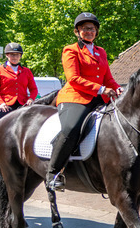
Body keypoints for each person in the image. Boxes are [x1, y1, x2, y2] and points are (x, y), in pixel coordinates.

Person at [46, 13, 120, 191]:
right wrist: (102, 89)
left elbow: (108, 78)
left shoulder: (101, 51)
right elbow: (73, 78)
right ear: (77, 31)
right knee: (71, 128)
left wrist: (117, 88)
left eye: (92, 29)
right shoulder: (70, 50)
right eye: (85, 28)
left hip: (97, 98)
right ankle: (53, 172)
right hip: (75, 97)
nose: (89, 31)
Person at [0, 42, 38, 121]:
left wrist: (31, 99)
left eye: (17, 55)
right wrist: (1, 103)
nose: (15, 57)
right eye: (12, 55)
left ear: (20, 56)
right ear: (7, 55)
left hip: (22, 105)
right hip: (5, 106)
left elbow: (33, 89)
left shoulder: (26, 71)